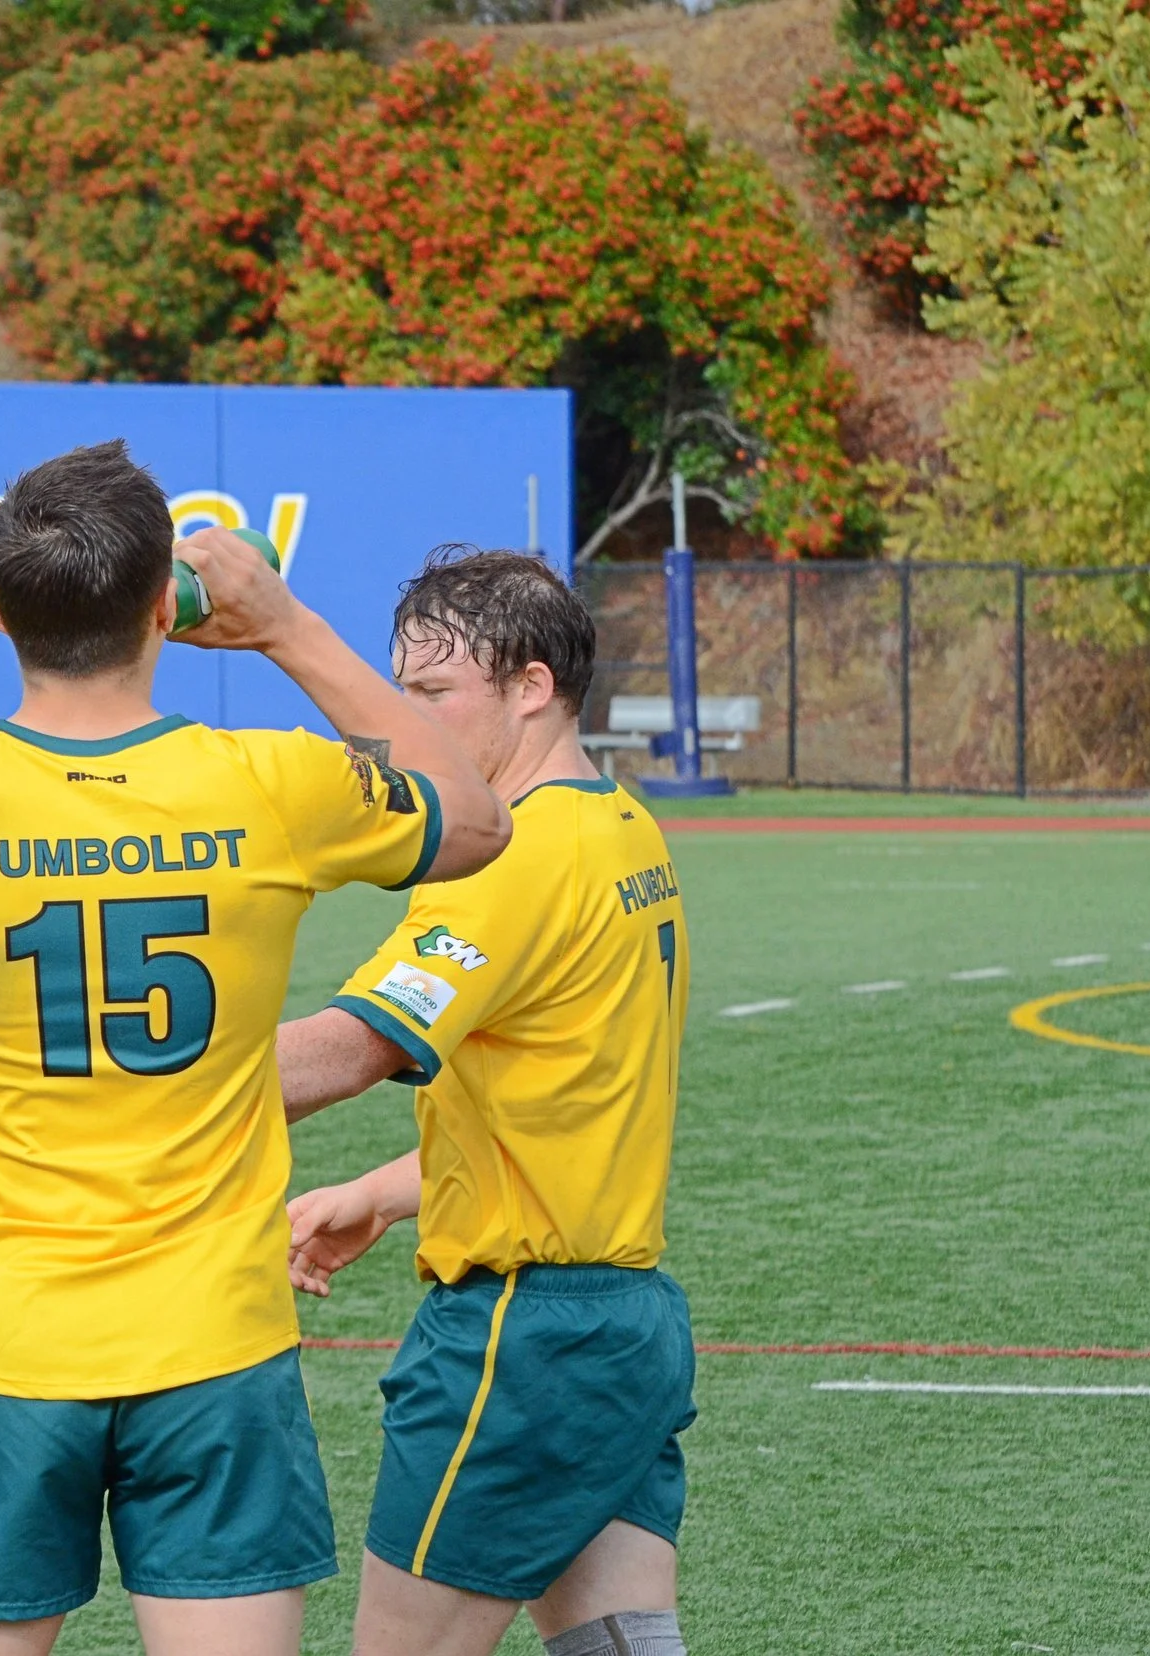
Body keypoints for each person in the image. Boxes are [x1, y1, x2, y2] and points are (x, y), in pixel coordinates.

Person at [0, 440, 510, 1656]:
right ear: (164, 608)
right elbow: (476, 816)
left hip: (6, 1345)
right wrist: (284, 629)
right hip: (218, 1345)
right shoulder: (269, 782)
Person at [278, 549, 694, 1656]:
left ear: (531, 687)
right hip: (623, 1325)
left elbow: (349, 1051)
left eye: (433, 691)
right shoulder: (622, 827)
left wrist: (122, 1096)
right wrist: (383, 1192)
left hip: (522, 1340)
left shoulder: (512, 858)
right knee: (619, 1642)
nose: (405, 722)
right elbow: (568, 1097)